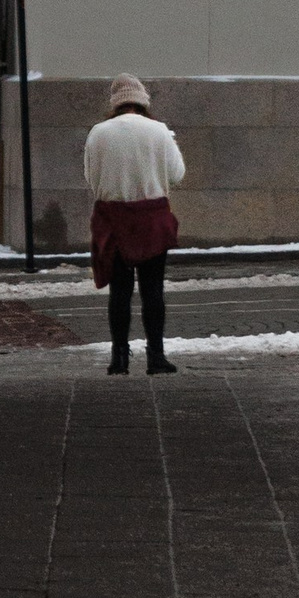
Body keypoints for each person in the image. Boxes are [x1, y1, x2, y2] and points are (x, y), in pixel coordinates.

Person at [84, 73, 186, 375]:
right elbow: (177, 174)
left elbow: (91, 178)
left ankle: (119, 357)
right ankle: (156, 356)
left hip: (112, 219)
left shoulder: (98, 133)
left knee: (120, 292)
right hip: (152, 218)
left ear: (115, 103)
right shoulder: (159, 131)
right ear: (143, 102)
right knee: (153, 290)